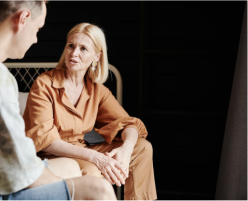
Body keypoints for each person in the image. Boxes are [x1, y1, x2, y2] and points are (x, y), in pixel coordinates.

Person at [0, 2, 116, 200]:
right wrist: (70, 189)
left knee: (70, 166)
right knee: (98, 189)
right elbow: (21, 173)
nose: (36, 39)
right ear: (23, 19)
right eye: (38, 28)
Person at [23, 22, 157, 200]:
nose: (74, 53)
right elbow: (47, 142)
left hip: (82, 150)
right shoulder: (44, 83)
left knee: (142, 148)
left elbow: (130, 124)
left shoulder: (96, 90)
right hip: (50, 154)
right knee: (92, 168)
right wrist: (96, 158)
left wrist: (125, 149)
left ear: (97, 57)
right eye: (71, 45)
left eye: (83, 48)